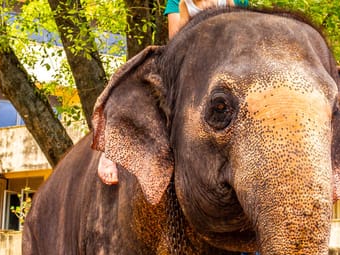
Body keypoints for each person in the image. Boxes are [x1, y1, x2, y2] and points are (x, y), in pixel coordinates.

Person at [97, 0, 249, 186]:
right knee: (133, 77)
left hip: (227, 60)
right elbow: (177, 42)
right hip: (192, 61)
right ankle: (109, 151)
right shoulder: (179, 2)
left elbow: (238, 30)